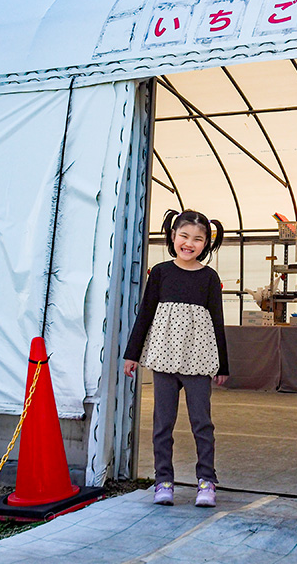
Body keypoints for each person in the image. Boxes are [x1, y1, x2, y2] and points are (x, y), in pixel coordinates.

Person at [123, 209, 229, 508]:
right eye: (184, 236)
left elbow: (218, 321)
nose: (189, 243)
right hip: (164, 358)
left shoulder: (209, 277)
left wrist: (222, 364)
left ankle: (206, 481)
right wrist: (132, 354)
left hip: (198, 359)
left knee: (202, 422)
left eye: (198, 239)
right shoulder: (160, 272)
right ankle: (163, 481)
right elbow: (145, 314)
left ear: (206, 243)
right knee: (162, 422)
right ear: (172, 236)